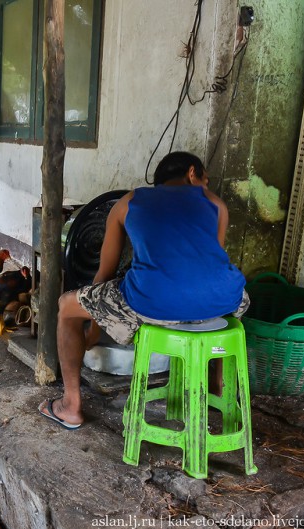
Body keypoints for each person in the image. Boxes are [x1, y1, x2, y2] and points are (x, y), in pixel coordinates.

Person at [39, 151, 249, 430]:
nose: (206, 187)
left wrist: (94, 328)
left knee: (67, 306)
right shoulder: (216, 205)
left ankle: (71, 406)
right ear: (191, 173)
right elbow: (209, 267)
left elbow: (105, 273)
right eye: (205, 180)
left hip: (153, 303)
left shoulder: (129, 202)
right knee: (232, 299)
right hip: (224, 300)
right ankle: (219, 385)